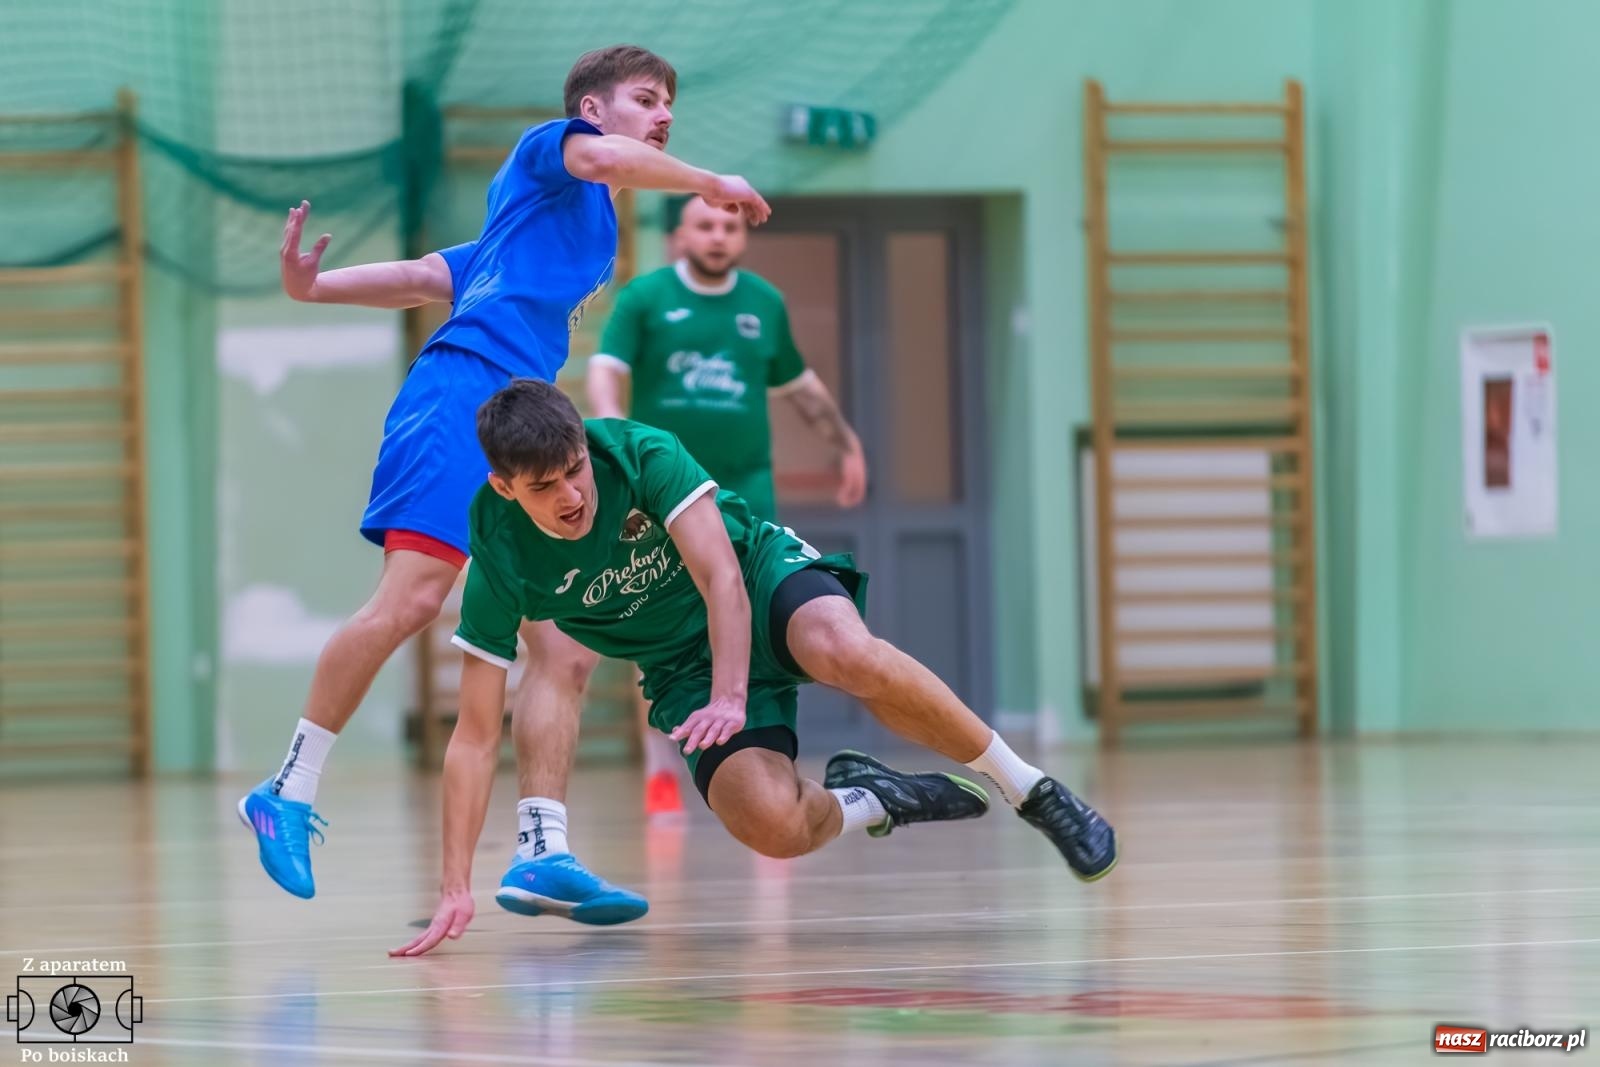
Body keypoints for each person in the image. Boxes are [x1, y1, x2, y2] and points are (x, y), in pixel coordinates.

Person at [238, 46, 771, 926]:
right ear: (592, 111)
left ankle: (542, 848)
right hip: (459, 394)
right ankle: (287, 788)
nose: (664, 113)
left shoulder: (558, 224)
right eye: (647, 99)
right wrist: (710, 178)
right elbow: (604, 159)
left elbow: (426, 278)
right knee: (412, 600)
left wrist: (316, 286)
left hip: (524, 419)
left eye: (672, 102)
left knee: (560, 649)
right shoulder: (550, 152)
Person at [392, 379, 1117, 957]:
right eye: (546, 487)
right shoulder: (499, 555)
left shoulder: (641, 455)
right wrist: (456, 883)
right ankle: (874, 798)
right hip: (679, 663)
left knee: (845, 649)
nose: (573, 495)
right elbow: (477, 731)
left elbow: (722, 582)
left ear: (587, 443)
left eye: (575, 469)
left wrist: (734, 694)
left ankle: (1030, 788)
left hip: (757, 578)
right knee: (772, 826)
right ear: (504, 488)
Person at [586, 194, 868, 817]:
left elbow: (801, 387)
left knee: (764, 618)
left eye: (729, 226)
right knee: (657, 625)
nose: (718, 235)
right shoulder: (646, 298)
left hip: (746, 495)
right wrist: (611, 446)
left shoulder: (763, 303)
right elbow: (606, 371)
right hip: (662, 498)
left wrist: (844, 443)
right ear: (681, 235)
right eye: (705, 225)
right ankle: (659, 767)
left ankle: (772, 763)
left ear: (742, 236)